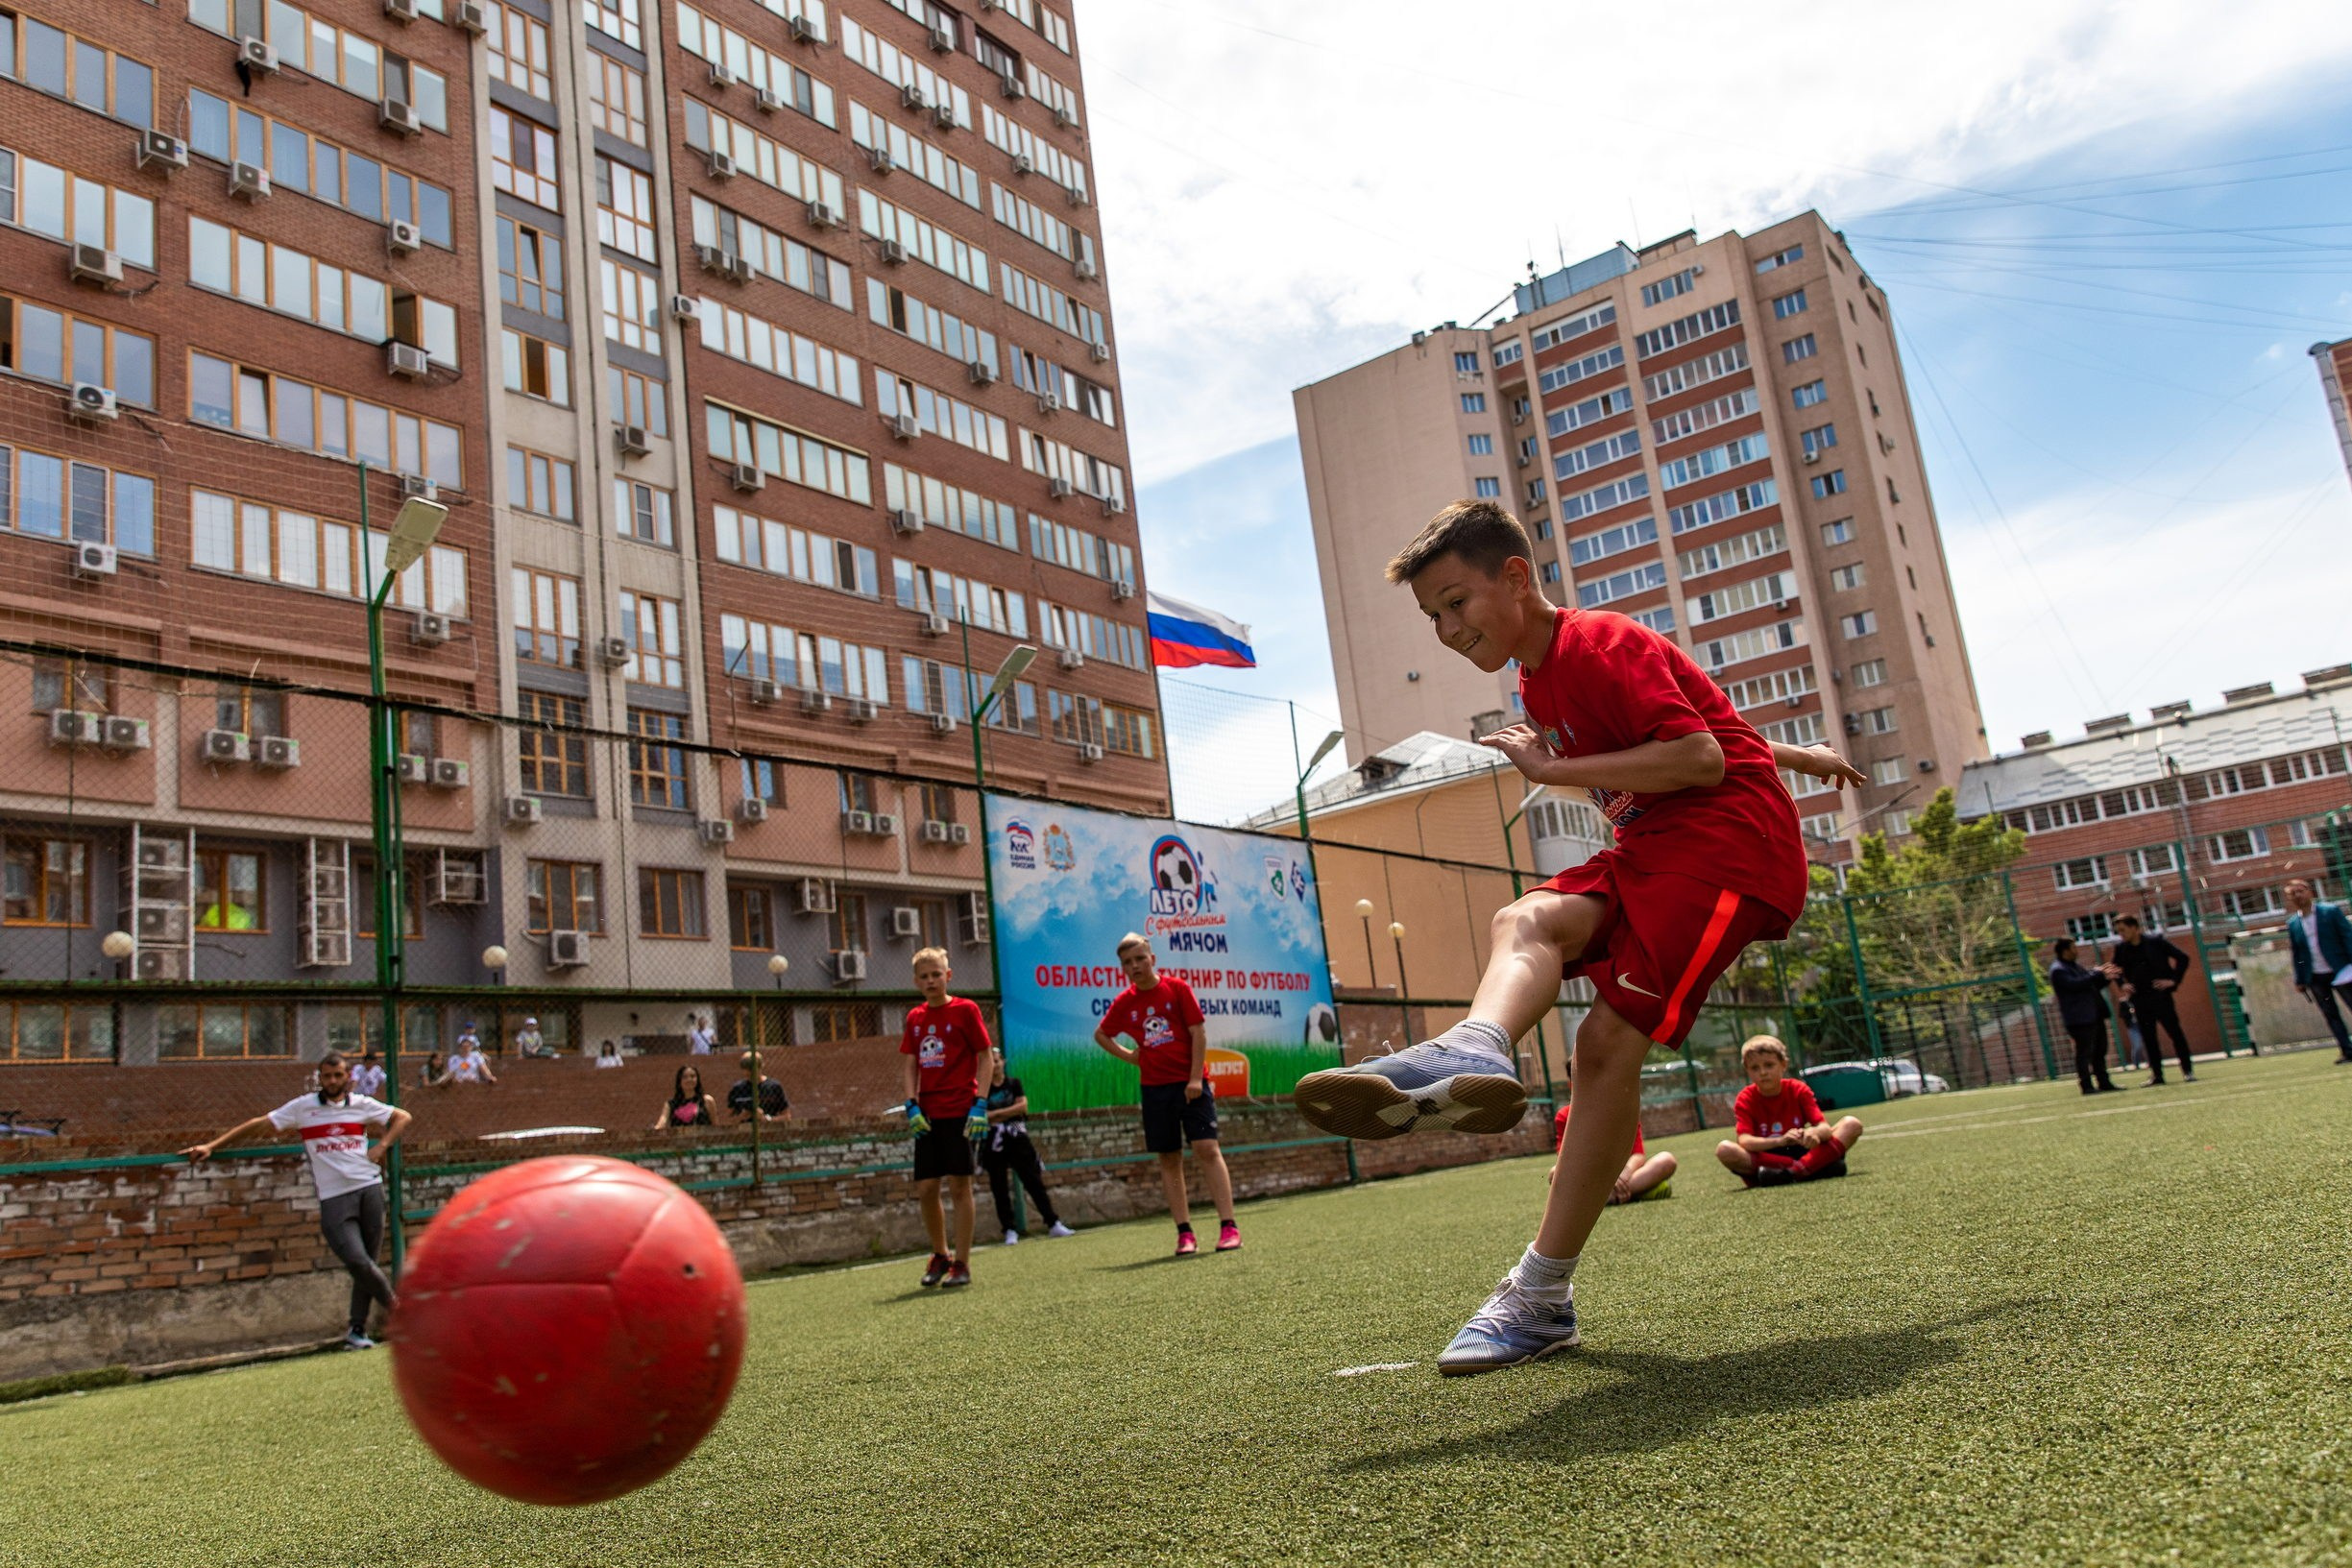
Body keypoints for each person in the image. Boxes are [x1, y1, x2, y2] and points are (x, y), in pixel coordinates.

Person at [1288, 500, 1865, 1373]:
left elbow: (1699, 759)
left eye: (1456, 602)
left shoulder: (1598, 641)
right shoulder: (1540, 676)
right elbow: (1701, 723)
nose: (1445, 630)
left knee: (1602, 1044)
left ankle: (1538, 1295)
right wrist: (1796, 752)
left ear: (1514, 578)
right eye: (1431, 616)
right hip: (1653, 848)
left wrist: (1555, 771)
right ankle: (1473, 1048)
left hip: (1725, 849)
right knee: (1523, 917)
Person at [180, 1051, 412, 1350]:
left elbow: (402, 1116)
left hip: (369, 1189)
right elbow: (259, 1124)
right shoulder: (303, 1108)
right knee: (357, 1260)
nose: (332, 1081)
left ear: (348, 1078)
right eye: (327, 1076)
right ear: (320, 1079)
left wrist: (382, 1146)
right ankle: (403, 1315)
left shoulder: (362, 1105)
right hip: (334, 1197)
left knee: (365, 1264)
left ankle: (357, 1330)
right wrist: (212, 1145)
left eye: (337, 1076)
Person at [1095, 933, 1239, 1257]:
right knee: (1169, 1158)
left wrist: (1194, 1080)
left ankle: (1229, 1226)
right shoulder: (1124, 1003)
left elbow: (1198, 1033)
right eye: (1127, 963)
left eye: (1140, 959)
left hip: (1191, 1085)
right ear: (1122, 968)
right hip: (1154, 1089)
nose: (1135, 966)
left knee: (1206, 1148)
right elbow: (1101, 1034)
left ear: (1152, 959)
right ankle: (1184, 1232)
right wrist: (1130, 1056)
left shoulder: (1177, 989)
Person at [902, 947, 988, 1289]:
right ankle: (940, 1255)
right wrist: (911, 1104)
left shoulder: (966, 1010)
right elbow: (909, 1063)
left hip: (960, 1110)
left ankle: (963, 1262)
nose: (931, 980)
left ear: (947, 975)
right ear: (916, 982)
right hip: (927, 1114)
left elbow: (984, 1055)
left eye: (936, 974)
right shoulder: (915, 1018)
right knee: (925, 1188)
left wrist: (980, 1102)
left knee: (958, 1185)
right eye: (924, 976)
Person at [1713, 1036, 1864, 1185]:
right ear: (1747, 1070)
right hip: (1767, 1155)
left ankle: (1790, 1173)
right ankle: (1813, 1168)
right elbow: (1745, 1141)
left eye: (1769, 1065)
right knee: (1725, 1150)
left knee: (1851, 1124)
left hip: (1803, 1149)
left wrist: (1812, 1133)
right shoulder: (1745, 1098)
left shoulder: (1798, 1089)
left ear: (1783, 1065)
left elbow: (1824, 1128)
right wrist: (1780, 1141)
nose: (1763, 1072)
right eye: (1755, 1068)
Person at [976, 1048, 1076, 1244]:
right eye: (991, 1061)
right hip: (994, 1141)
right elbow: (983, 1116)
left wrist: (997, 1115)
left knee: (1033, 1180)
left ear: (1003, 1062)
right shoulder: (982, 1091)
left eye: (997, 1061)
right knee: (999, 1186)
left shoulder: (1014, 1084)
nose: (994, 1065)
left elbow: (1022, 1107)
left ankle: (1053, 1222)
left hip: (1018, 1138)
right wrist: (1004, 1114)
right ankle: (1010, 1230)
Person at [2107, 917, 2194, 1083]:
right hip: (2139, 999)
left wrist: (2173, 980)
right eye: (2118, 931)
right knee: (2149, 1037)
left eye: (2123, 930)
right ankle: (2157, 1075)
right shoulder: (2121, 949)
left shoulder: (2155, 942)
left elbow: (2183, 957)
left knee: (2175, 1033)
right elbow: (2114, 969)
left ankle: (2187, 1071)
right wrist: (2122, 984)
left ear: (2134, 928)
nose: (2121, 935)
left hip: (2160, 996)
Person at [2282, 878, 2352, 1064]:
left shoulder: (2330, 912)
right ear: (2289, 899)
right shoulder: (2293, 923)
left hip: (2342, 970)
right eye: (2293, 893)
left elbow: (2348, 936)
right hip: (2315, 976)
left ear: (2310, 892)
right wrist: (2299, 979)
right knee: (2331, 1015)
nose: (2298, 895)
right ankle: (2347, 1050)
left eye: (2301, 891)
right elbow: (2297, 953)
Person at [1550, 1101, 1675, 1204]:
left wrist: (1623, 1176)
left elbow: (1638, 1154)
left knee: (1666, 1160)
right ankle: (1623, 1193)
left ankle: (1603, 1197)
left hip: (1624, 1177)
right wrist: (1603, 1180)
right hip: (1590, 1180)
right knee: (1554, 1173)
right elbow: (1566, 1160)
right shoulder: (1565, 1115)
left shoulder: (1624, 1109)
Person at [2048, 938, 2122, 1096]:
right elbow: (2075, 985)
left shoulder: (2075, 967)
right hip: (2079, 1018)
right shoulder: (2058, 970)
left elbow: (2091, 984)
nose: (2077, 950)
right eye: (2074, 947)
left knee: (2099, 1051)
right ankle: (2086, 1085)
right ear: (2065, 950)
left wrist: (2104, 977)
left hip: (2094, 1015)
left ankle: (2104, 1082)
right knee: (2084, 1053)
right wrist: (2096, 973)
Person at [727, 1051, 789, 1122]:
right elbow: (728, 1120)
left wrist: (767, 1119)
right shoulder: (737, 1089)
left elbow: (786, 1117)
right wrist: (741, 1117)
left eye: (751, 1069)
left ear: (760, 1067)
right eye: (745, 1069)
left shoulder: (774, 1087)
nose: (747, 1073)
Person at [654, 1064, 717, 1130]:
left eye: (692, 1076)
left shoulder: (707, 1101)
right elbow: (662, 1122)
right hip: (679, 1139)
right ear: (679, 1081)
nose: (689, 1079)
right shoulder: (670, 1104)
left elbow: (715, 1125)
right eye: (685, 1077)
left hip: (702, 1139)